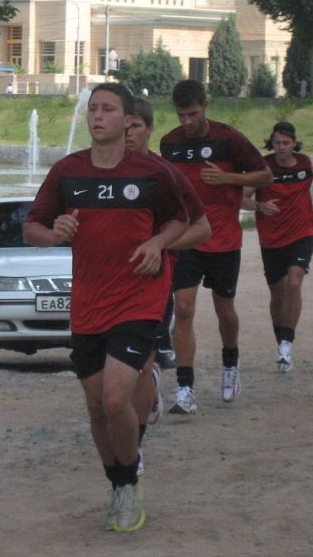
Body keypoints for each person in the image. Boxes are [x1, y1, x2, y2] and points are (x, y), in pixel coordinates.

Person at [24, 83, 189, 533]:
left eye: (108, 109)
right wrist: (54, 232)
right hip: (88, 304)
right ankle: (116, 483)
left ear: (127, 119)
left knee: (116, 397)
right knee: (97, 407)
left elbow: (181, 220)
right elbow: (32, 227)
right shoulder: (67, 171)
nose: (97, 116)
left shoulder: (152, 172)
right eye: (93, 109)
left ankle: (131, 480)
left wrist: (157, 242)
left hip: (139, 298)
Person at [160, 80, 272, 414]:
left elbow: (265, 176)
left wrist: (229, 179)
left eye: (193, 114)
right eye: (181, 115)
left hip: (224, 240)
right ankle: (185, 389)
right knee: (183, 309)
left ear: (205, 106)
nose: (187, 121)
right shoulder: (170, 143)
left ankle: (230, 363)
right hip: (187, 240)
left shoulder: (229, 139)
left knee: (225, 310)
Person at [126, 96, 211, 476]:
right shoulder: (94, 172)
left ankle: (135, 449)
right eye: (124, 126)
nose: (128, 134)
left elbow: (202, 229)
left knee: (139, 365)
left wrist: (159, 245)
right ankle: (147, 398)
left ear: (149, 129)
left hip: (152, 284)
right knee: (111, 379)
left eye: (135, 127)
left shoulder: (166, 174)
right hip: (105, 286)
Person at [242, 122, 313, 372]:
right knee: (278, 293)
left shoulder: (305, 164)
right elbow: (240, 198)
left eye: (285, 143)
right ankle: (280, 338)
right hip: (271, 238)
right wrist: (260, 206)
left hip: (302, 233)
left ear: (294, 143)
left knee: (294, 283)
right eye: (277, 143)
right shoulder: (263, 168)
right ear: (271, 143)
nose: (281, 147)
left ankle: (286, 343)